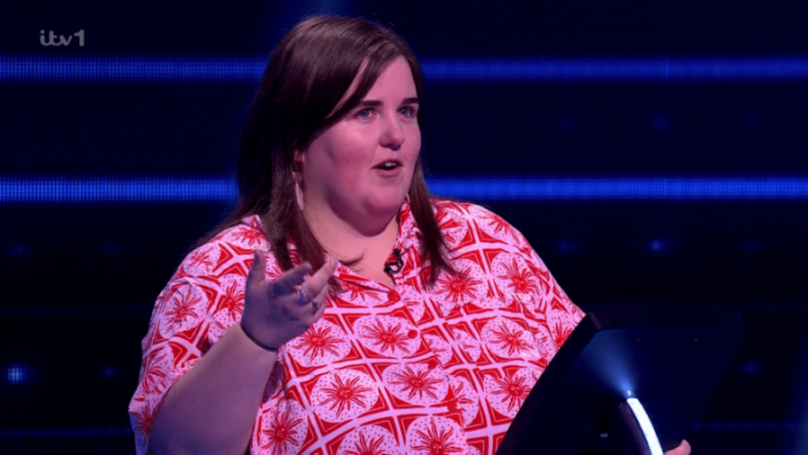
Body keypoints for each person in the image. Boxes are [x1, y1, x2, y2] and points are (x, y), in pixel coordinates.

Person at [128, 14, 691, 455]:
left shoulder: (484, 240)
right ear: (298, 143)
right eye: (365, 113)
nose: (396, 134)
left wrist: (638, 442)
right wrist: (255, 339)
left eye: (408, 110)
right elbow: (175, 449)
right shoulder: (226, 271)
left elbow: (591, 392)